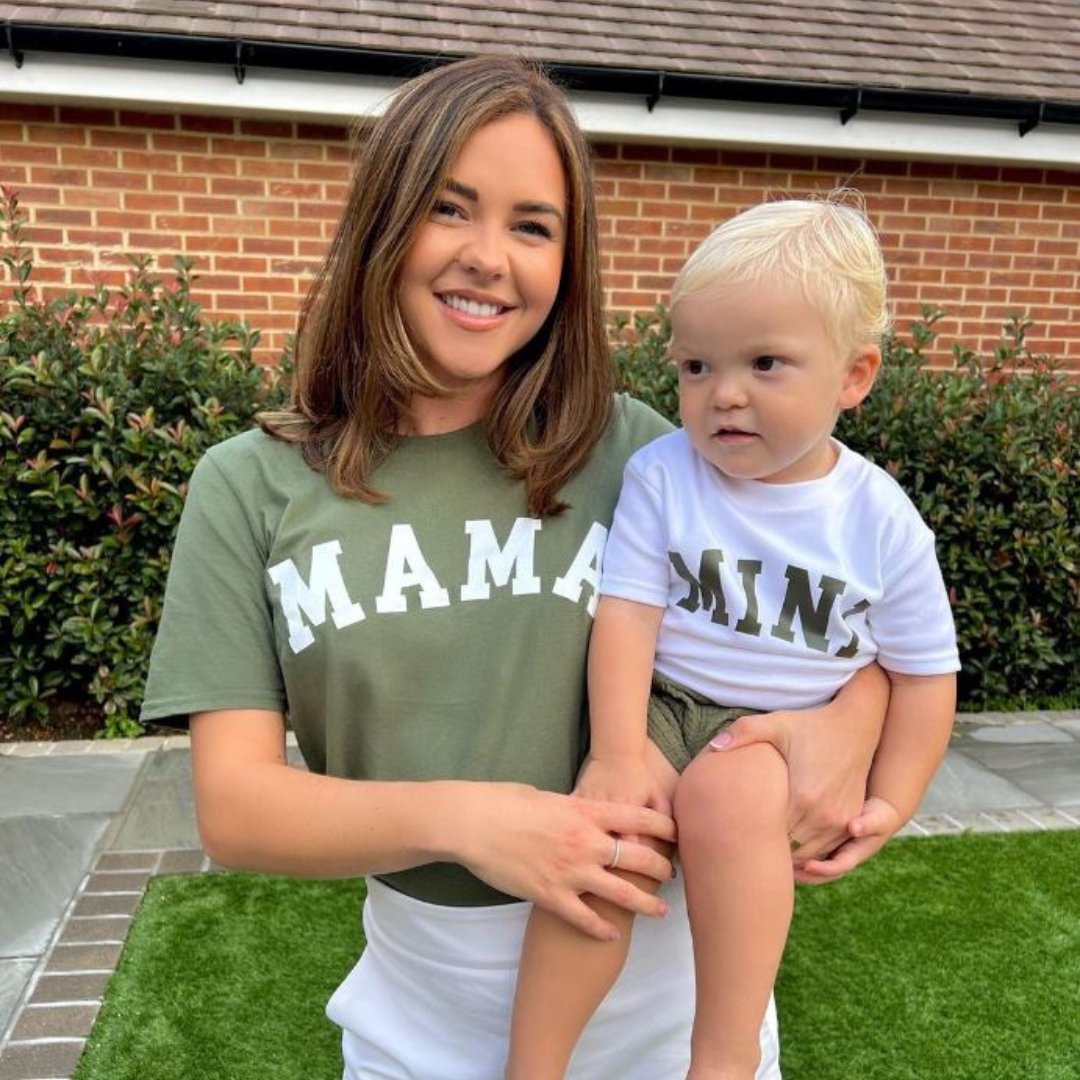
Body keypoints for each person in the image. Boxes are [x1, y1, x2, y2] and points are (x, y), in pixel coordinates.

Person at [140, 57, 890, 1080]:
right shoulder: (248, 486)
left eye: (533, 226)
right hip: (420, 1028)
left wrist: (857, 714)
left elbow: (844, 599)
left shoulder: (648, 455)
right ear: (382, 223)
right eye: (450, 209)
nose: (490, 258)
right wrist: (477, 822)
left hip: (671, 1025)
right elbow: (237, 809)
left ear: (567, 262)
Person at [506, 195, 960, 1080]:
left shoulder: (881, 520)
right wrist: (618, 747)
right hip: (670, 701)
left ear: (853, 376)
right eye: (697, 366)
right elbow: (628, 614)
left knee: (733, 797)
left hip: (778, 728)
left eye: (765, 363)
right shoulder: (664, 472)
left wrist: (893, 802)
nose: (725, 396)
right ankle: (534, 1066)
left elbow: (924, 674)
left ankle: (722, 1061)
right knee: (605, 839)